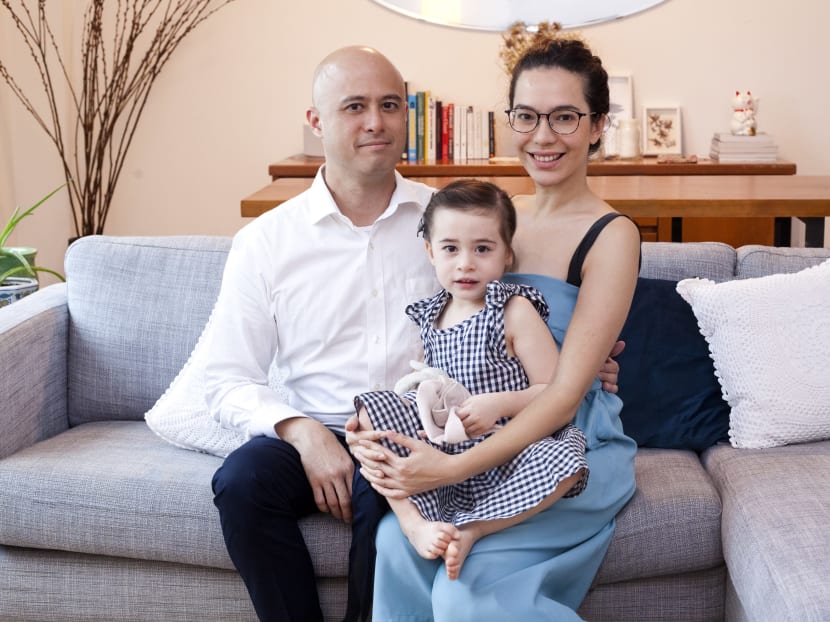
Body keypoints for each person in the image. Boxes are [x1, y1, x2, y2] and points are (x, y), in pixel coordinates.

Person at [207, 45, 621, 622]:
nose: (375, 122)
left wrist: (584, 359)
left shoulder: (452, 219)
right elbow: (225, 377)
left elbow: (515, 314)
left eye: (389, 105)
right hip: (321, 427)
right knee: (241, 481)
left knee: (391, 500)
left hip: (419, 429)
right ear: (316, 121)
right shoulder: (266, 241)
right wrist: (300, 431)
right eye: (354, 106)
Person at [348, 33, 641, 621]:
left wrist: (450, 468)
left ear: (597, 126)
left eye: (565, 117)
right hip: (473, 434)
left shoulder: (612, 235)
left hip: (562, 444)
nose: (542, 136)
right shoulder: (491, 217)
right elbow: (446, 333)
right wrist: (379, 424)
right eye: (526, 116)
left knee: (464, 592)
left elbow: (562, 395)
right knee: (393, 546)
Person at [355, 179, 588, 581]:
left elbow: (555, 389)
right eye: (451, 249)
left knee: (565, 461)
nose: (465, 263)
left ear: (507, 254)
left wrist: (499, 403)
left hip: (508, 448)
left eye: (482, 249)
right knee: (370, 410)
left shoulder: (512, 310)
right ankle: (413, 523)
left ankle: (474, 529)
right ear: (430, 252)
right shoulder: (430, 314)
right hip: (444, 448)